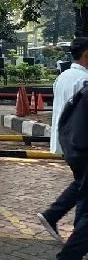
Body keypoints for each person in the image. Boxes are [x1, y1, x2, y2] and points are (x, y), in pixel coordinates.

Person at [38, 37, 88, 244]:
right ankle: (77, 235)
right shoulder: (84, 80)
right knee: (84, 190)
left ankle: (56, 217)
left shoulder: (63, 76)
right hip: (81, 142)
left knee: (82, 185)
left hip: (66, 141)